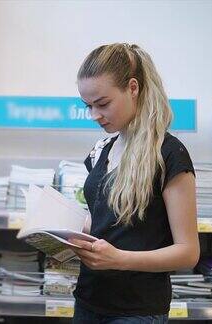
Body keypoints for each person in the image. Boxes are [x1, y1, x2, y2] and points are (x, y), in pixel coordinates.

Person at [69, 43, 200, 324]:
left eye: (102, 104)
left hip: (137, 311)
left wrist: (120, 259)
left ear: (132, 88)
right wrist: (69, 230)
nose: (94, 115)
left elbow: (188, 252)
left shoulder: (169, 155)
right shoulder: (101, 151)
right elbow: (111, 225)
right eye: (88, 106)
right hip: (89, 300)